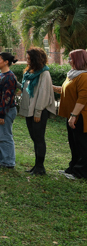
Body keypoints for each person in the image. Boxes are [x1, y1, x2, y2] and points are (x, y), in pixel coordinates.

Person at [19, 47, 56, 175]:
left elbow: (44, 94)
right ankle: (36, 166)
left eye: (29, 58)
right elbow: (26, 90)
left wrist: (38, 112)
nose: (27, 61)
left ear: (35, 59)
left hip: (38, 111)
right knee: (34, 138)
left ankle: (40, 167)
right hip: (30, 111)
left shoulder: (44, 73)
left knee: (39, 139)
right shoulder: (29, 72)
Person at [53, 49, 87, 179]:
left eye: (71, 58)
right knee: (74, 144)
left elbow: (83, 98)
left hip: (80, 116)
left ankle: (81, 173)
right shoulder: (73, 74)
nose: (68, 61)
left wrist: (74, 116)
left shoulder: (84, 76)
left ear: (79, 60)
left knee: (82, 145)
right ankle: (72, 168)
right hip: (72, 115)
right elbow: (66, 91)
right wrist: (51, 87)